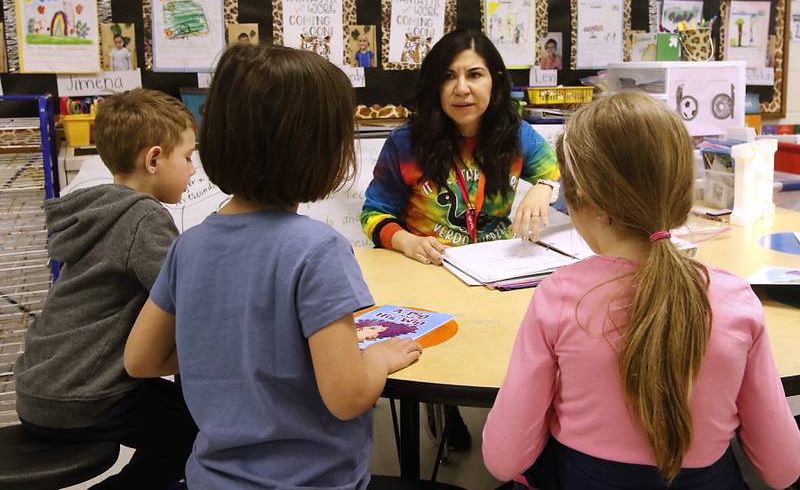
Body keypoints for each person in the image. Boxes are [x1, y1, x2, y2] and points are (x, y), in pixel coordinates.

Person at [123, 44, 422, 489]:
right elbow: (347, 397)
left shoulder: (190, 246)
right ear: (319, 150)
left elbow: (140, 359)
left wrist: (239, 348)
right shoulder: (318, 249)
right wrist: (376, 357)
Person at [482, 92, 800, 490]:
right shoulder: (735, 299)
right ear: (684, 192)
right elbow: (783, 468)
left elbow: (503, 458)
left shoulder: (558, 296)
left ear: (585, 202)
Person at [360, 29, 559, 450]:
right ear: (435, 85)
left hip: (497, 274)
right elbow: (373, 214)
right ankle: (440, 408)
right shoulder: (405, 144)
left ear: (495, 82)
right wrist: (405, 242)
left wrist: (544, 188)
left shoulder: (516, 136)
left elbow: (559, 171)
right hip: (429, 274)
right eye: (449, 77)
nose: (462, 89)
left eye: (475, 74)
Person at [14, 89, 198, 489]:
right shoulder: (143, 217)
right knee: (193, 431)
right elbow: (189, 298)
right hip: (83, 399)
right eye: (187, 157)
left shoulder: (98, 210)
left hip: (40, 392)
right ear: (153, 160)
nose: (193, 170)